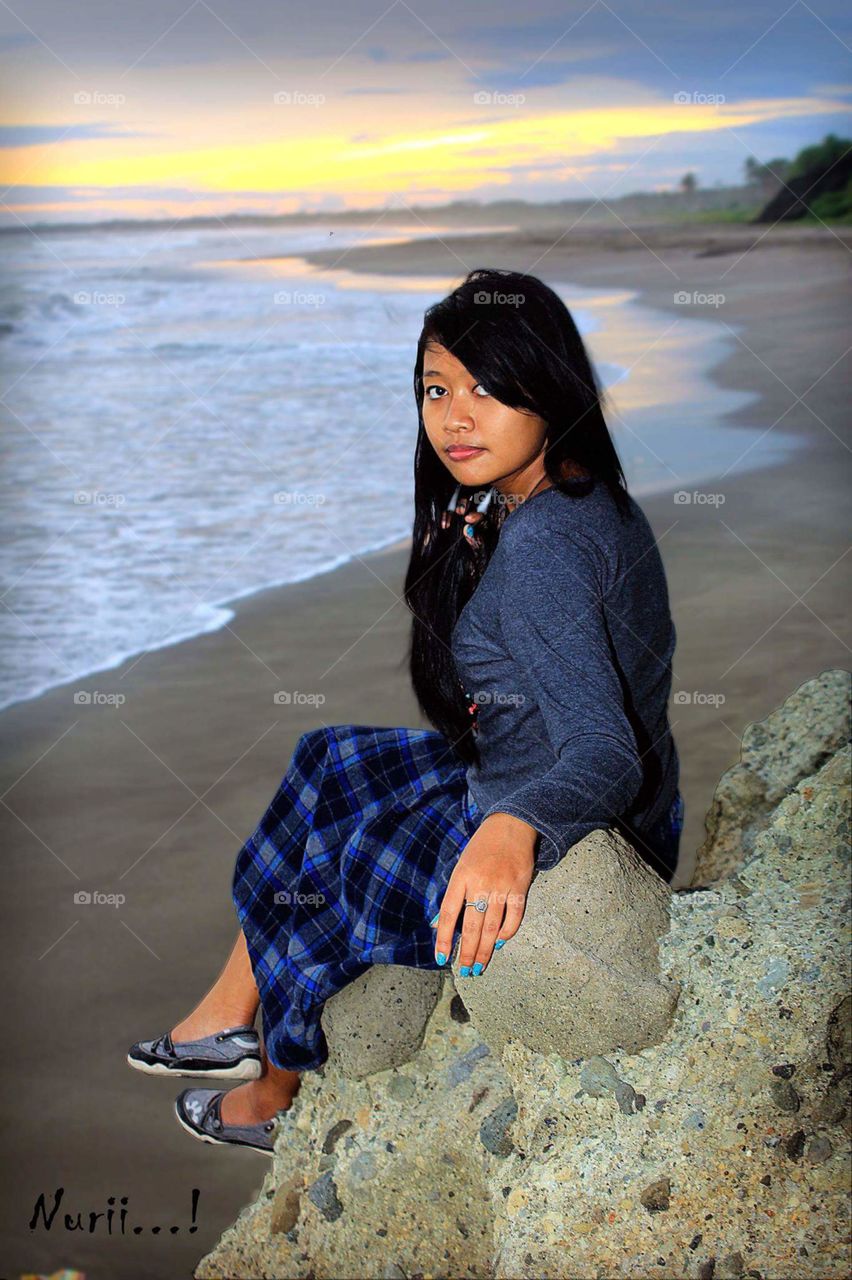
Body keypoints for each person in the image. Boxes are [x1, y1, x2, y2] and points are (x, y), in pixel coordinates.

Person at [127, 267, 683, 1155]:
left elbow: (606, 752)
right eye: (436, 389)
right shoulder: (564, 493)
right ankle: (229, 1015)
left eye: (488, 389)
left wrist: (514, 826)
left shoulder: (547, 545)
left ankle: (276, 1086)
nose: (455, 417)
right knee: (331, 760)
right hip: (531, 767)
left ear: (550, 385)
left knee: (350, 859)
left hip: (578, 826)